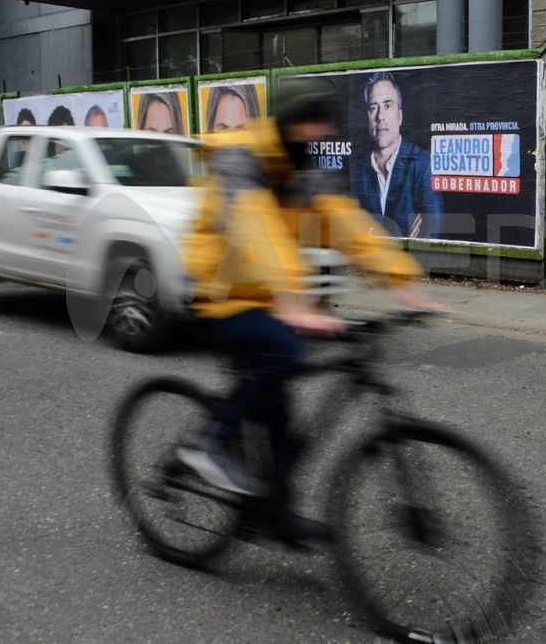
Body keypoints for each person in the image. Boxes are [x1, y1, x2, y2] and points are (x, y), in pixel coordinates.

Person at [176, 78, 440, 546]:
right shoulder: (241, 160)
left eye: (318, 128)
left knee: (279, 408)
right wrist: (293, 301)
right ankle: (210, 442)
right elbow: (252, 227)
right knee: (281, 349)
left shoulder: (301, 172)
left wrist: (403, 280)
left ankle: (273, 511)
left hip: (270, 298)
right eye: (304, 125)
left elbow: (344, 223)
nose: (311, 136)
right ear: (283, 123)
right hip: (216, 293)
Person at [348, 71, 442, 239]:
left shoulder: (423, 164)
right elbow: (351, 232)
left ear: (399, 116)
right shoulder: (356, 167)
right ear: (367, 117)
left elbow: (431, 233)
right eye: (373, 107)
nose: (380, 117)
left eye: (387, 105)